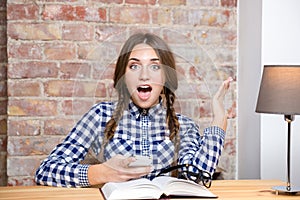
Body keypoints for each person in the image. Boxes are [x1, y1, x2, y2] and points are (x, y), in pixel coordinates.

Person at [35, 32, 233, 188]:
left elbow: (197, 178)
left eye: (155, 67)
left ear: (165, 78)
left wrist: (219, 122)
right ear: (124, 76)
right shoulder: (100, 116)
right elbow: (45, 170)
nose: (144, 75)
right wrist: (101, 173)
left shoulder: (185, 126)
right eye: (134, 66)